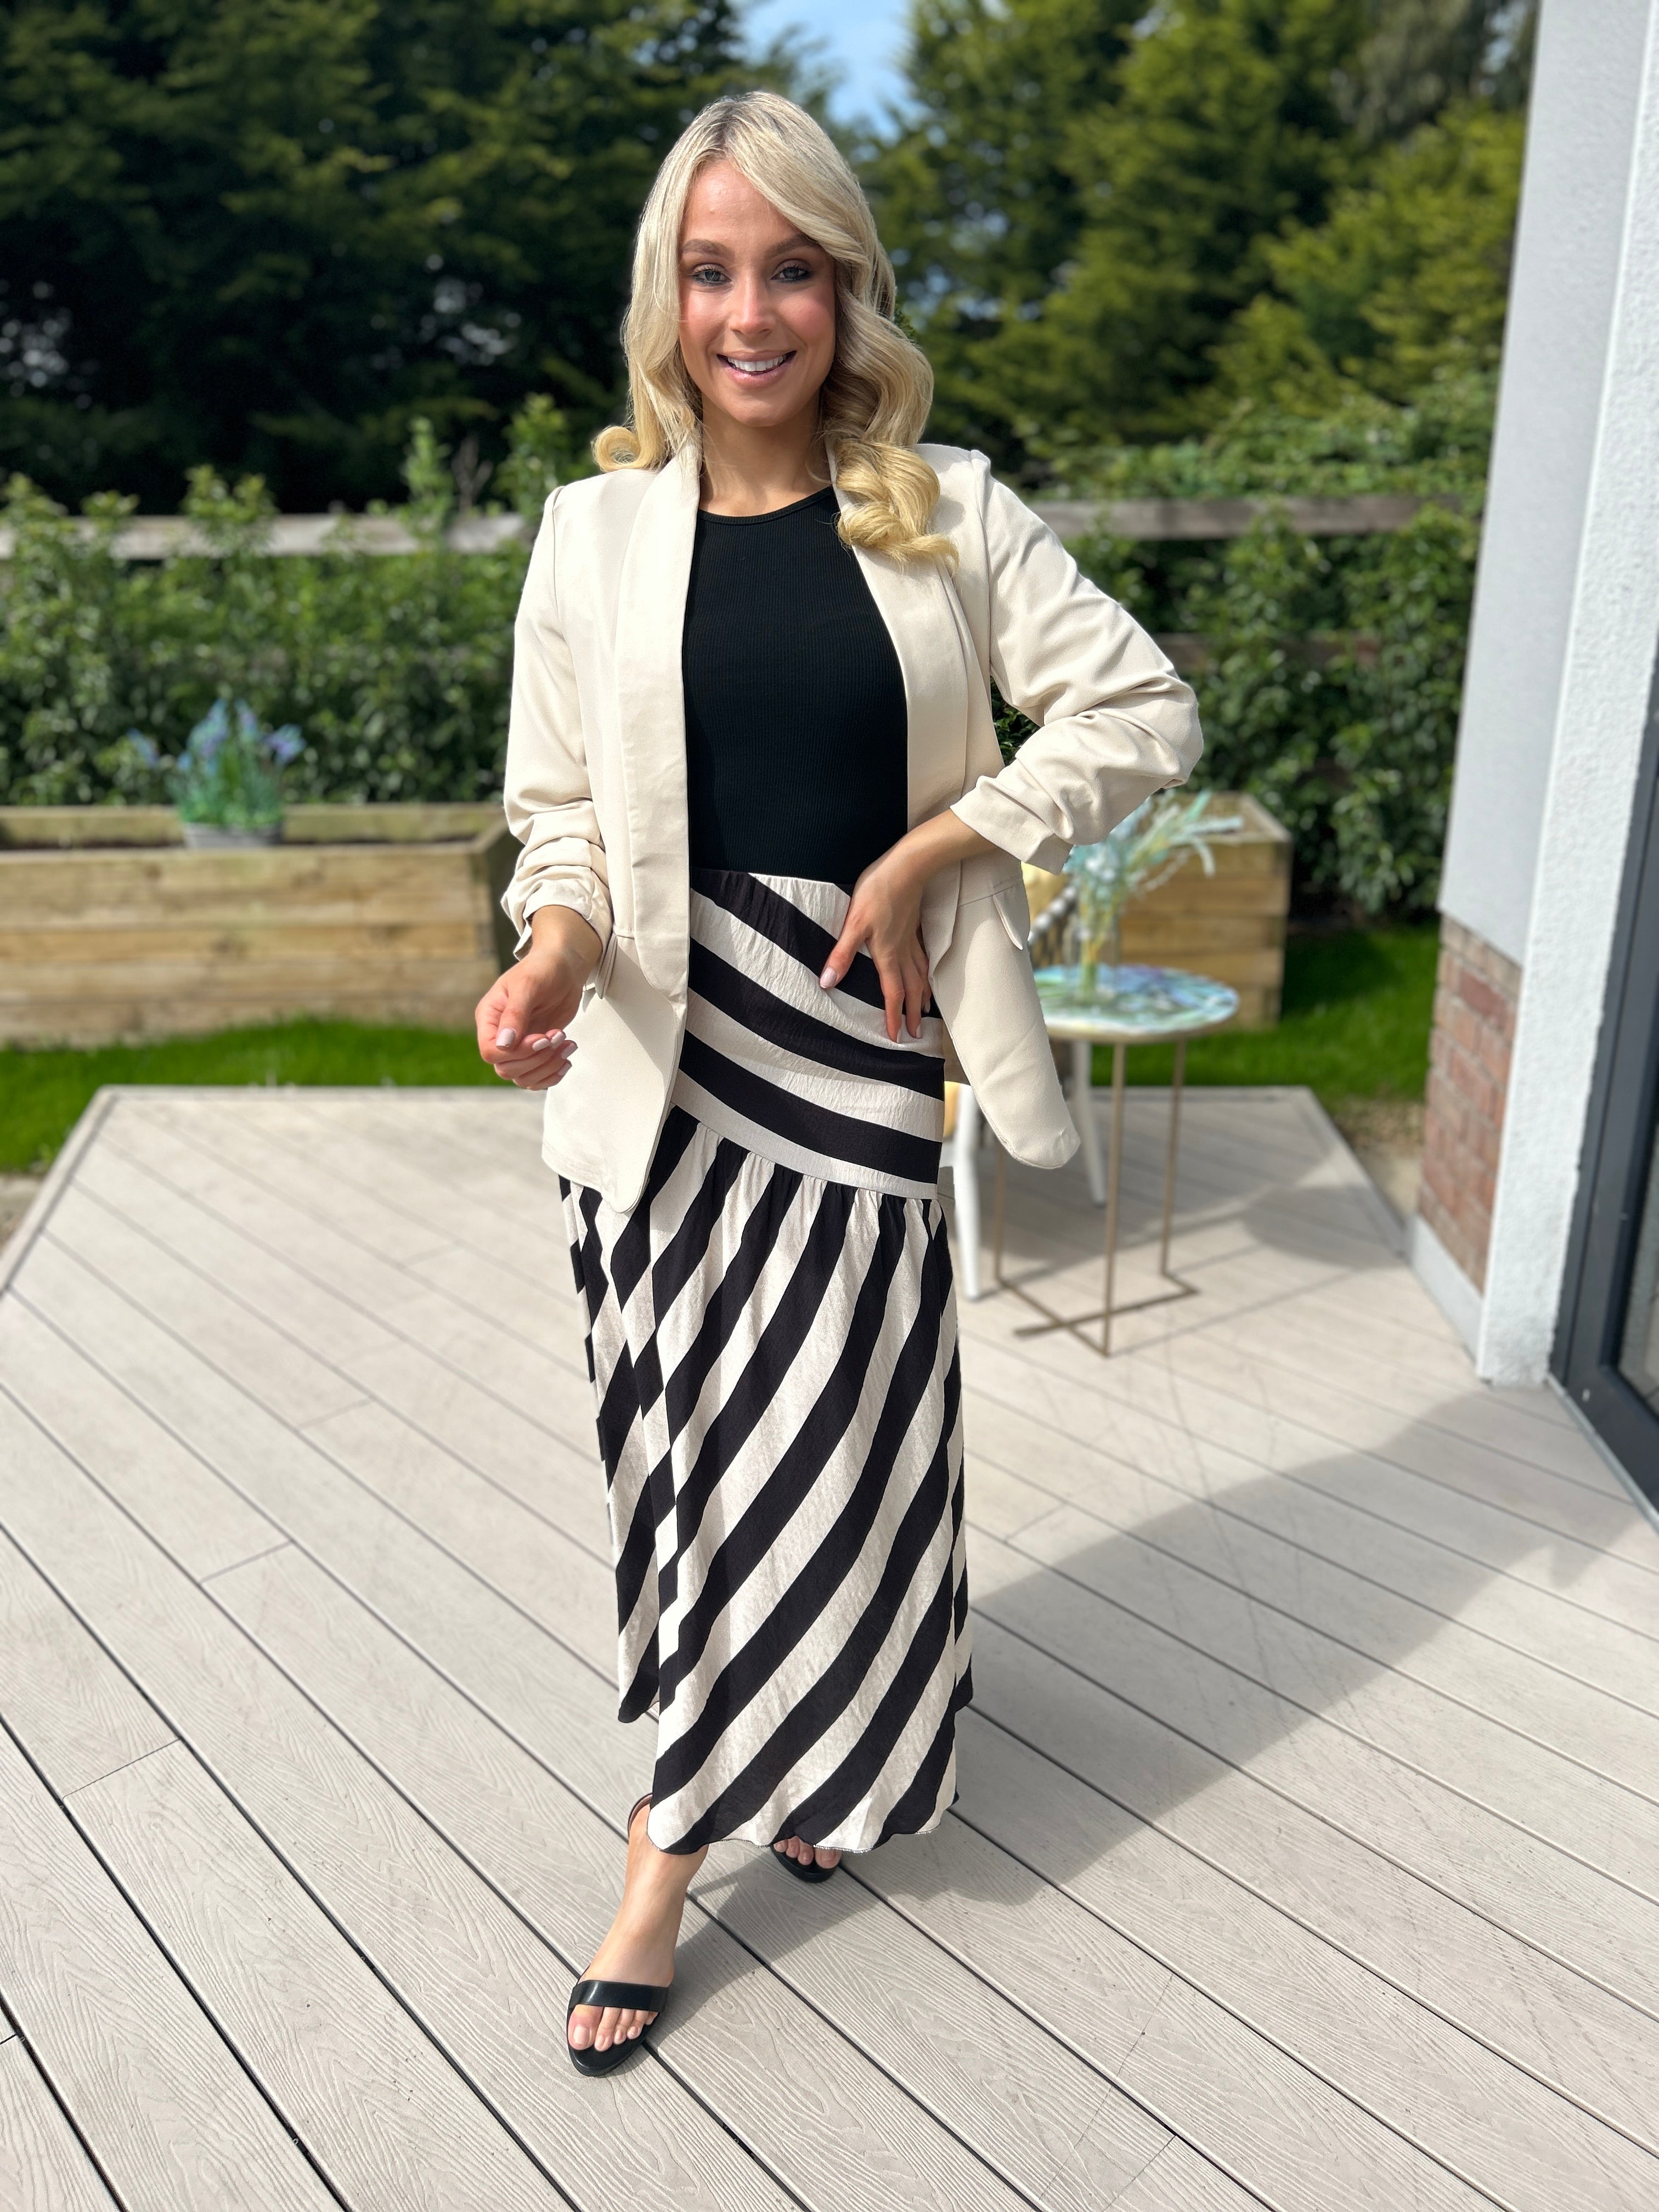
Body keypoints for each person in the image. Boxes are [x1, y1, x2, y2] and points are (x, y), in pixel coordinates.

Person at [475, 88, 1201, 2076]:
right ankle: (666, 1847)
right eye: (713, 271)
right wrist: (548, 956)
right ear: (668, 296)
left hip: (857, 1049)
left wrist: (950, 840)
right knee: (689, 1471)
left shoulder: (949, 510)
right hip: (658, 1063)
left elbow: (1144, 706)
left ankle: (827, 1755)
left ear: (846, 288)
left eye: (791, 269)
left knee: (854, 1450)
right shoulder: (590, 535)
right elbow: (560, 820)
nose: (752, 312)